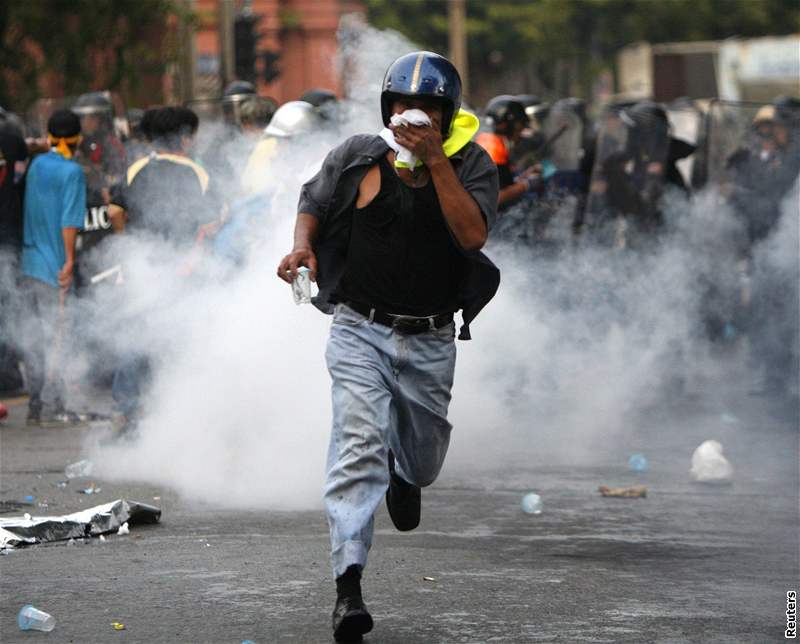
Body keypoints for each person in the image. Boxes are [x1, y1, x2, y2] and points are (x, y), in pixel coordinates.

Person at [277, 51, 499, 642]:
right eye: (403, 105)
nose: (413, 117)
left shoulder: (472, 163)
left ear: (448, 116)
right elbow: (312, 203)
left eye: (428, 108)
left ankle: (406, 471)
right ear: (386, 108)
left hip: (430, 338)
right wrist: (303, 248)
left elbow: (472, 234)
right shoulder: (358, 155)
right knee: (355, 447)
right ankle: (348, 589)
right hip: (358, 329)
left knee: (423, 463)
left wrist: (435, 162)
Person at [108, 106, 220, 437]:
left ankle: (126, 413)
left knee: (138, 336)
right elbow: (209, 225)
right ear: (185, 137)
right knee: (181, 340)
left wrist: (129, 244)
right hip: (183, 268)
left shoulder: (137, 169)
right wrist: (194, 258)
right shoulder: (198, 173)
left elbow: (115, 210)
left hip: (143, 265)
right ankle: (176, 411)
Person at [19, 109, 85, 425]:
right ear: (78, 138)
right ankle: (56, 404)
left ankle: (34, 406)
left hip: (29, 263)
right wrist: (70, 261)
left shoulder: (36, 165)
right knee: (58, 336)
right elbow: (69, 222)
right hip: (53, 266)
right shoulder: (72, 172)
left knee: (34, 336)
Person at [0, 108, 29, 394]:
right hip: (7, 236)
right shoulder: (13, 141)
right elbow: (20, 179)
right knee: (8, 307)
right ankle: (7, 375)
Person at [475, 95, 540, 209]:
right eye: (519, 124)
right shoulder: (493, 148)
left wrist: (523, 177)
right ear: (504, 125)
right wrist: (526, 185)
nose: (521, 130)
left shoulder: (489, 140)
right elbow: (492, 199)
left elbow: (502, 182)